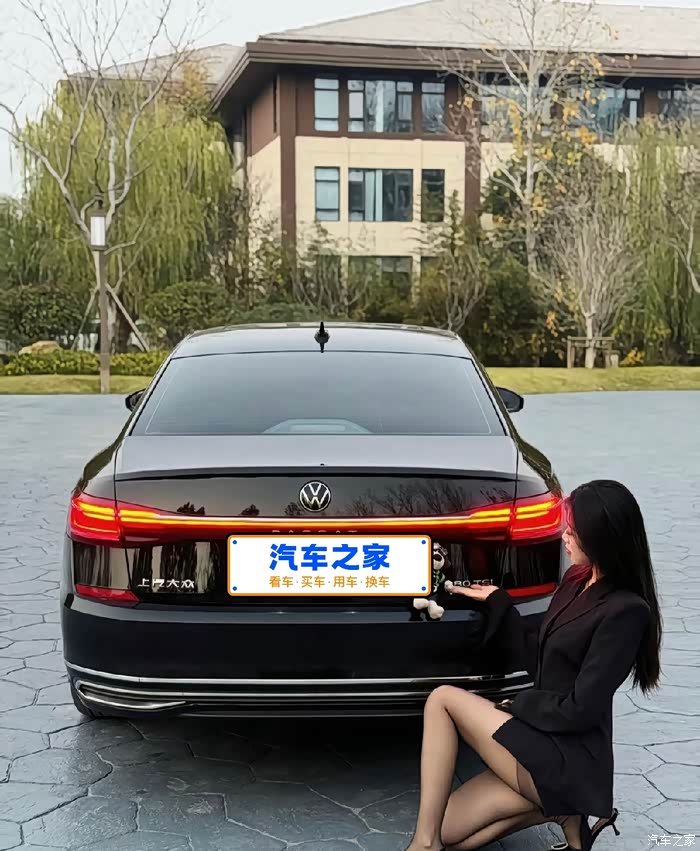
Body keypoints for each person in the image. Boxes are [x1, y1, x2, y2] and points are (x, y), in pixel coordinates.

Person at [404, 479, 662, 851]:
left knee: (442, 699)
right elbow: (542, 664)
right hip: (540, 742)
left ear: (602, 538)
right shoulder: (576, 580)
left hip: (569, 759)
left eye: (573, 531)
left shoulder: (627, 612)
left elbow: (581, 709)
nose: (565, 536)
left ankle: (422, 845)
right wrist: (500, 603)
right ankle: (562, 812)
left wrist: (517, 705)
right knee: (449, 834)